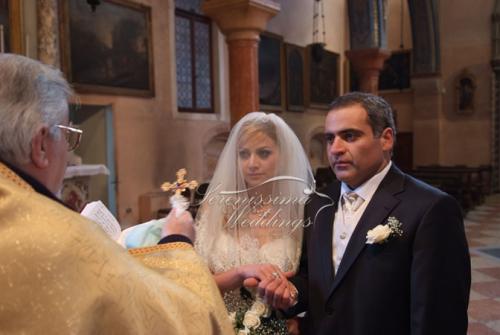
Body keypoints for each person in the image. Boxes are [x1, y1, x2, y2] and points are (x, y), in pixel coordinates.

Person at [0, 53, 232, 334]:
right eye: (67, 134)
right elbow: (192, 322)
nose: (69, 151)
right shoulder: (62, 238)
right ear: (40, 146)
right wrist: (177, 241)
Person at [281, 92, 471, 334]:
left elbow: (439, 316)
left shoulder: (430, 208)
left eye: (349, 136)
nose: (335, 149)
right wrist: (289, 293)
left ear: (386, 139)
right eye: (330, 139)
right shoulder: (318, 202)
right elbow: (318, 280)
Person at [194, 112, 315, 334]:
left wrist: (295, 311)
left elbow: (311, 281)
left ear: (283, 156)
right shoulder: (216, 207)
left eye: (264, 153)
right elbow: (195, 283)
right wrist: (238, 274)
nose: (252, 164)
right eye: (243, 154)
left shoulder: (301, 211)